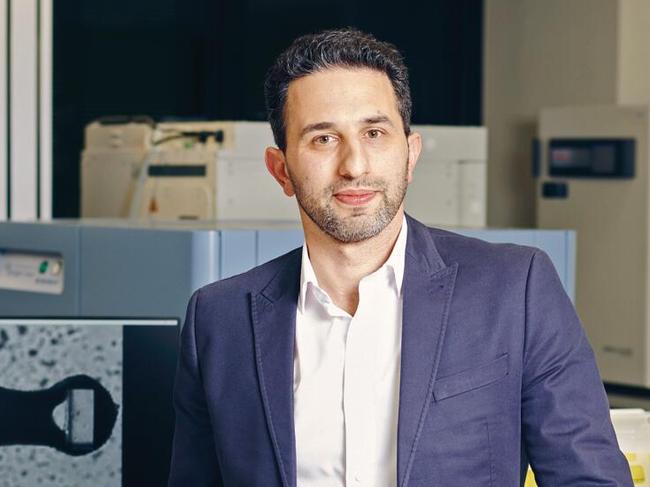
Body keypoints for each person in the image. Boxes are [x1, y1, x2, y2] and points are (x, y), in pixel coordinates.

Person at [168, 28, 632, 487]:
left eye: (374, 132)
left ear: (410, 155)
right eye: (323, 139)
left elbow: (590, 479)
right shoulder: (219, 319)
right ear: (281, 169)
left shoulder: (516, 289)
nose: (355, 165)